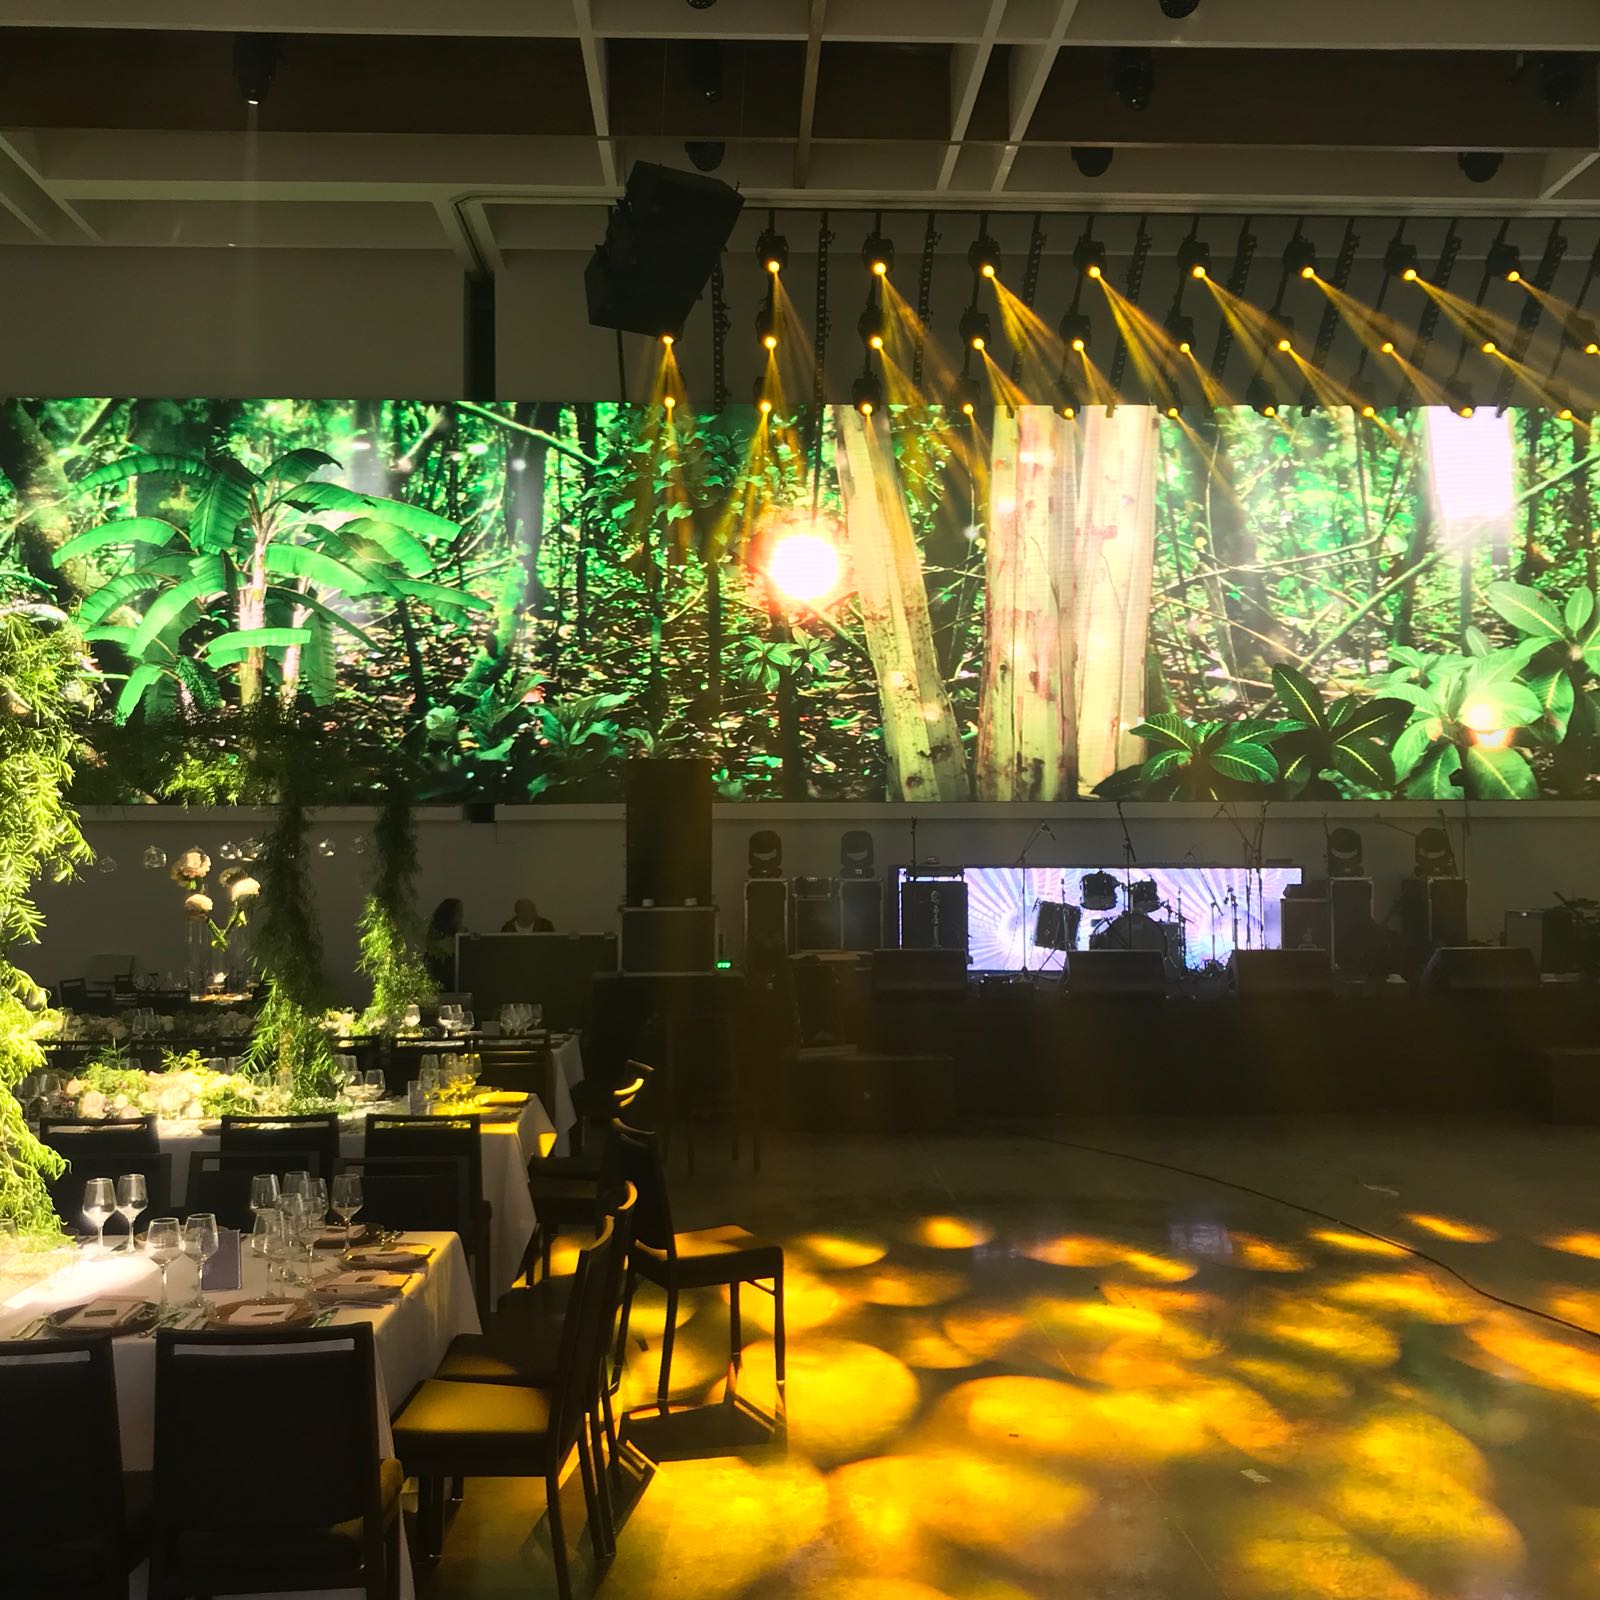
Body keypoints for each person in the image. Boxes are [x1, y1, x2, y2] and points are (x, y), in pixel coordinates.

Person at [425, 898, 465, 988]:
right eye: (458, 911)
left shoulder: (462, 932)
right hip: (440, 978)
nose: (461, 915)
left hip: (456, 980)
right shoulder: (435, 934)